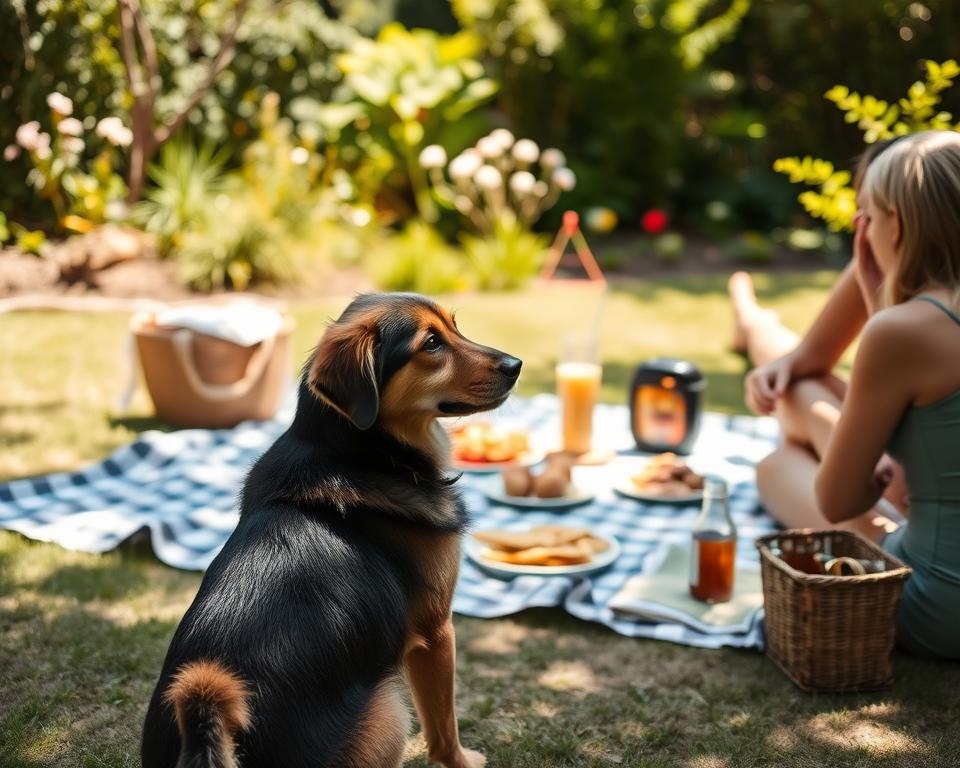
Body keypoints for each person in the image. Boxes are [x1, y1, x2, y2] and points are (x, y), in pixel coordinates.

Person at [730, 131, 960, 660]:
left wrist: (884, 312)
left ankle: (753, 325)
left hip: (938, 608)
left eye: (870, 218)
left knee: (775, 466)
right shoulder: (907, 327)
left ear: (896, 224)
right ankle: (754, 327)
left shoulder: (901, 333)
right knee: (794, 412)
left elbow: (840, 500)